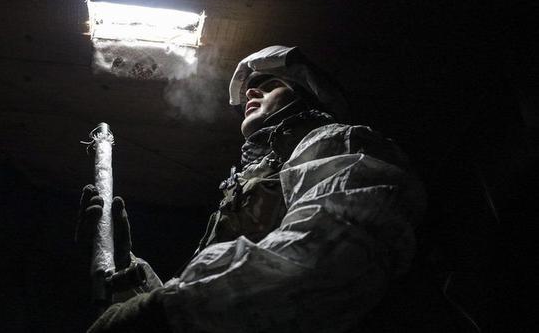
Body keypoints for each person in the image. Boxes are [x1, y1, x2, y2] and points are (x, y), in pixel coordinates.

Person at [76, 45, 427, 333]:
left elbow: (330, 255)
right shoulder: (257, 179)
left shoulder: (338, 143)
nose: (251, 91)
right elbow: (220, 305)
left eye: (271, 84)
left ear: (309, 101)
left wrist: (159, 311)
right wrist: (129, 270)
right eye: (251, 87)